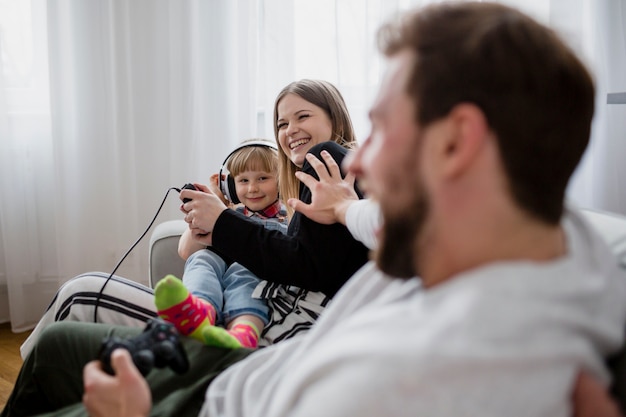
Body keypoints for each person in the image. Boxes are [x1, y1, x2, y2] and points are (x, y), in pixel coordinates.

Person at [3, 3, 626, 417]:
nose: (353, 162)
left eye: (378, 130)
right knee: (59, 339)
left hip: (218, 395)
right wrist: (346, 212)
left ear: (457, 141)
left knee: (62, 359)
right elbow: (371, 226)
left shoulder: (413, 376)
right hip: (247, 371)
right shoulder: (532, 240)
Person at [18, 78, 369, 359]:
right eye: (282, 122)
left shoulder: (329, 157)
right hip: (248, 312)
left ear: (334, 118)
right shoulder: (327, 183)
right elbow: (195, 251)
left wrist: (225, 223)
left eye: (303, 116)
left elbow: (307, 266)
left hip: (268, 320)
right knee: (78, 300)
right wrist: (216, 215)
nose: (290, 129)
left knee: (79, 295)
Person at [155, 139, 288, 349]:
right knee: (201, 258)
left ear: (281, 181)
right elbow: (185, 251)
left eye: (263, 178)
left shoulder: (288, 215)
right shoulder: (227, 213)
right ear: (230, 186)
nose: (252, 188)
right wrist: (212, 201)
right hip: (219, 263)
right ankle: (200, 312)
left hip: (255, 268)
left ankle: (244, 331)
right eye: (243, 180)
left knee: (242, 270)